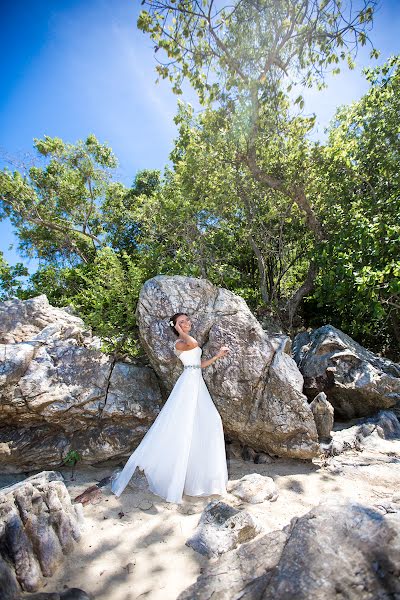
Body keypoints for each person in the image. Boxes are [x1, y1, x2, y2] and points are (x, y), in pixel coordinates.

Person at [110, 312, 230, 504]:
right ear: (175, 327)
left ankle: (201, 477)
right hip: (188, 386)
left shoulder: (188, 341)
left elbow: (198, 365)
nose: (187, 323)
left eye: (187, 320)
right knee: (185, 427)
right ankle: (172, 474)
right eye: (182, 322)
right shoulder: (180, 343)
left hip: (196, 382)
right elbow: (194, 344)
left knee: (210, 422)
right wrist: (179, 331)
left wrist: (217, 356)